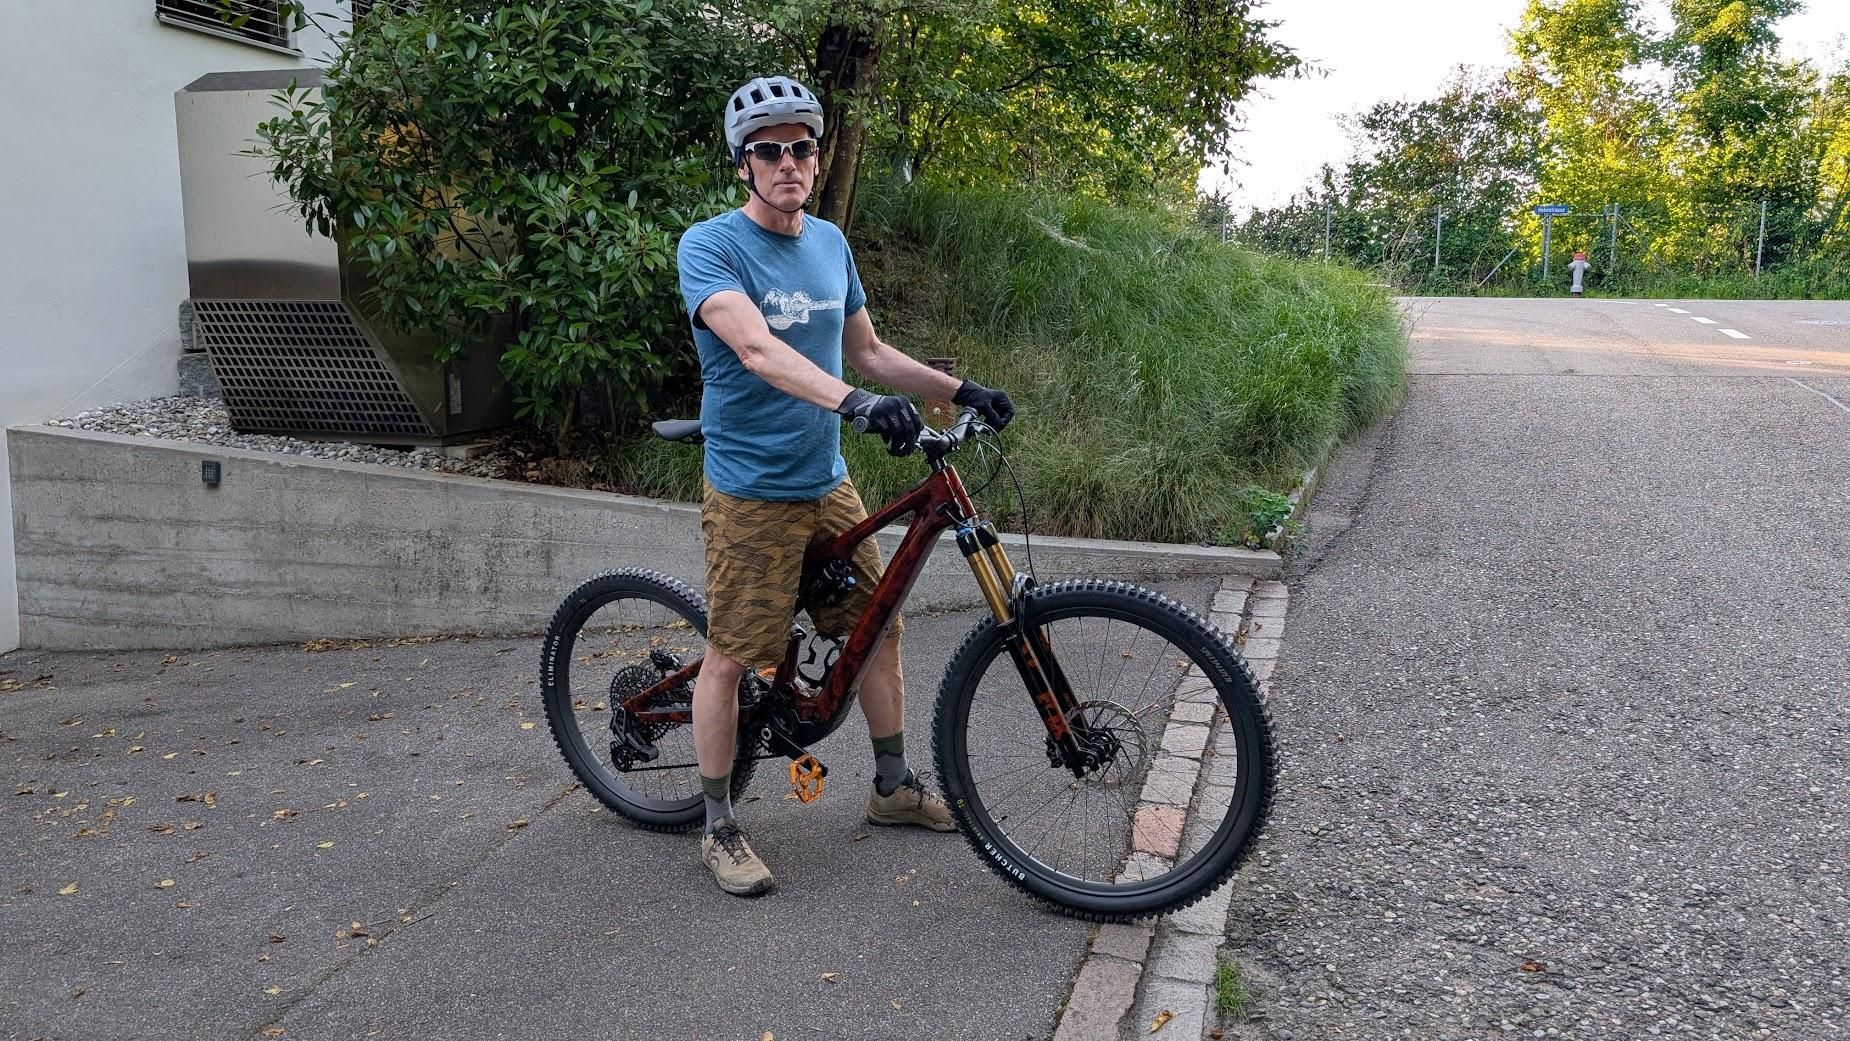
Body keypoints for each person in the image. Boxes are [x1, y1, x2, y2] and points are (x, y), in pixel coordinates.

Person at [675, 75, 1017, 897]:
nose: (788, 161)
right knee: (729, 658)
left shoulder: (830, 242)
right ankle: (717, 822)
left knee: (879, 627)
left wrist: (955, 388)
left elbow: (865, 351)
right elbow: (757, 349)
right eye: (769, 149)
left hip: (825, 480)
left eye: (801, 146)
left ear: (817, 158)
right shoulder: (711, 246)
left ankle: (892, 786)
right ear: (742, 164)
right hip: (752, 488)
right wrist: (855, 403)